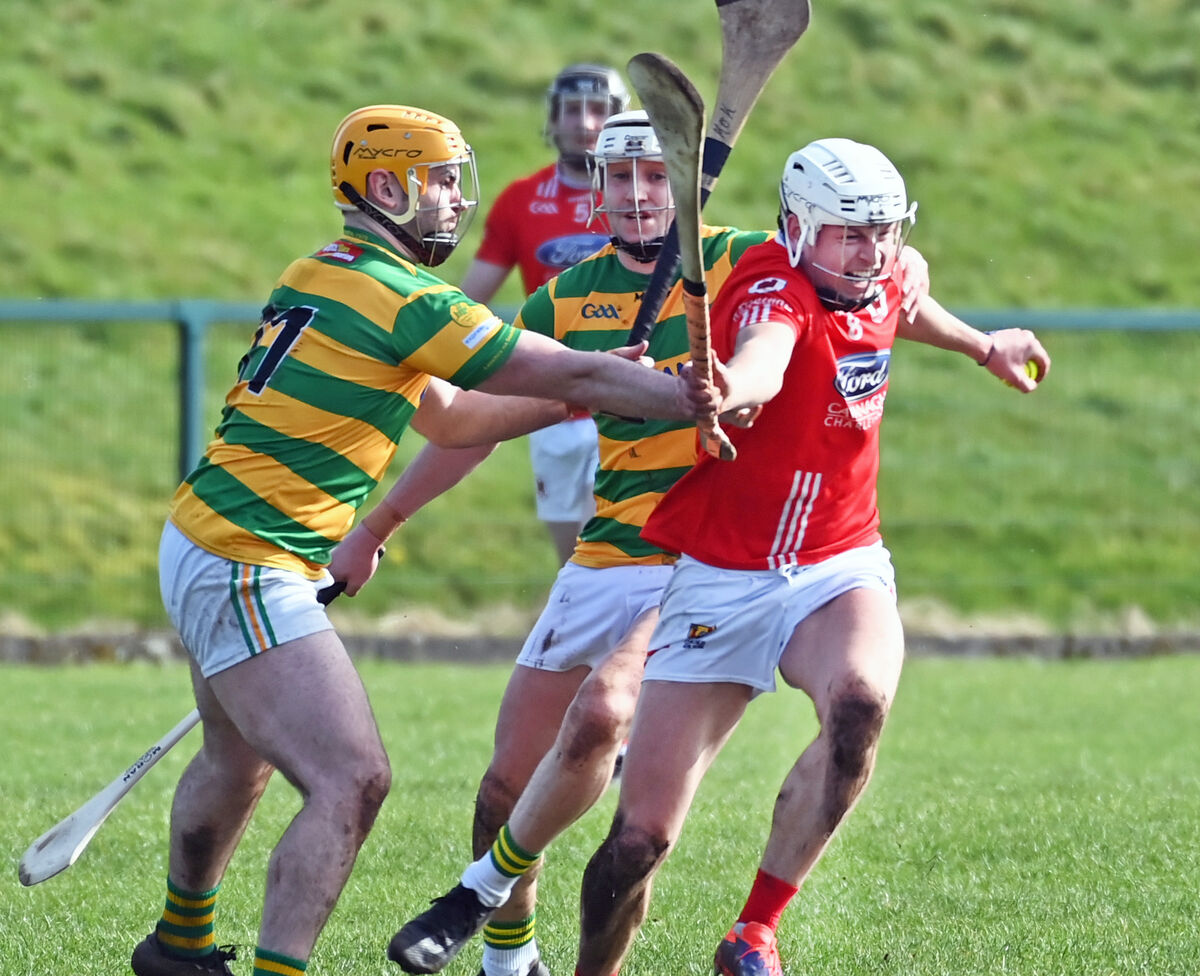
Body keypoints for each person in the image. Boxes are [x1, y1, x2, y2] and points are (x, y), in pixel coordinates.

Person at [129, 103, 713, 976]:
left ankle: (179, 946)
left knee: (234, 756)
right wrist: (674, 393)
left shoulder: (323, 270)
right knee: (351, 779)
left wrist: (579, 393)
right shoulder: (410, 299)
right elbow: (557, 365)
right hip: (249, 561)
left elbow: (450, 419)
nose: (456, 199)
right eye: (439, 181)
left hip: (205, 538)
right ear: (387, 186)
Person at [371, 119, 929, 976]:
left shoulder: (743, 261)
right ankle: (509, 954)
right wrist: (379, 525)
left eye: (658, 175)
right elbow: (472, 427)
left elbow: (857, 288)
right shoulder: (562, 298)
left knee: (607, 723)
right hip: (608, 553)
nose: (639, 194)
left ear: (688, 189)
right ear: (594, 192)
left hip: (699, 557)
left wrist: (934, 300)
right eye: (621, 177)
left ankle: (561, 916)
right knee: (506, 785)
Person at [568, 138, 1051, 976]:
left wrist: (983, 346)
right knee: (640, 839)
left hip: (836, 560)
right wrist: (731, 387)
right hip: (724, 576)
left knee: (860, 705)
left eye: (885, 233)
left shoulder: (883, 271)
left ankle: (755, 931)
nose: (871, 253)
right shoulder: (774, 286)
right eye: (850, 235)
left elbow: (903, 304)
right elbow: (767, 354)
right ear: (798, 229)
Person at [460, 63, 631, 566]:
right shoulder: (519, 201)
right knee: (572, 562)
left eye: (599, 110)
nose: (585, 122)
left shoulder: (642, 195)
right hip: (550, 399)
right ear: (552, 120)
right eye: (572, 110)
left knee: (627, 556)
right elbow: (469, 302)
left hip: (630, 395)